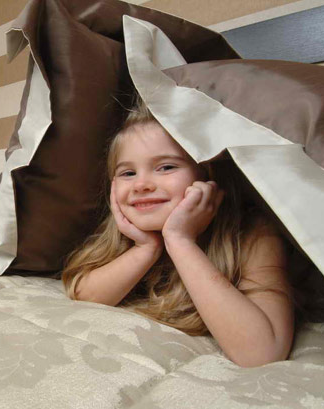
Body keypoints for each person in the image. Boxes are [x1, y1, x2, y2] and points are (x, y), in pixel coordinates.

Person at [62, 100, 295, 368]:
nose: (141, 185)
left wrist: (180, 241)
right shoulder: (126, 233)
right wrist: (146, 249)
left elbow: (261, 352)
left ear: (207, 175)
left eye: (166, 167)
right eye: (128, 173)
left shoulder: (254, 233)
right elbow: (86, 296)